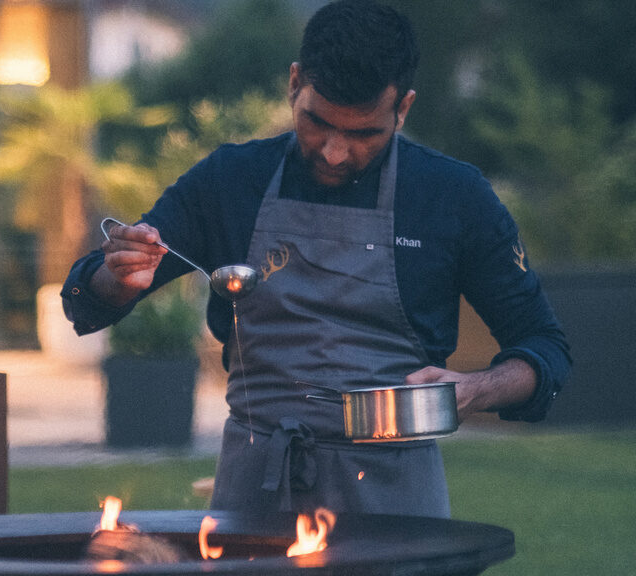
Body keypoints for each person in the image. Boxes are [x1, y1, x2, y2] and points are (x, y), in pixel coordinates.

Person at [62, 0, 571, 517]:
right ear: (294, 83)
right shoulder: (230, 180)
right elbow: (86, 294)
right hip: (254, 492)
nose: (333, 151)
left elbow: (545, 348)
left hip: (396, 497)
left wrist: (478, 389)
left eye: (363, 134)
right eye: (317, 123)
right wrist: (117, 276)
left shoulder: (453, 196)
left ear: (404, 109)